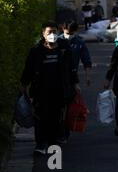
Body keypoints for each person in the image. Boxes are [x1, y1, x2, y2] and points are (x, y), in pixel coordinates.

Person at [20, 21, 79, 154]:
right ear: (43, 34)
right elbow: (28, 69)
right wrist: (23, 84)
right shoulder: (36, 50)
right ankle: (40, 144)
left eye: (54, 31)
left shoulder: (64, 48)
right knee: (40, 117)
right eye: (49, 32)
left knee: (56, 117)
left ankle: (53, 143)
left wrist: (75, 84)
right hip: (41, 90)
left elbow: (71, 67)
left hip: (59, 89)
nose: (52, 34)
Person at [59, 20, 92, 142]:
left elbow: (86, 60)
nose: (69, 33)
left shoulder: (79, 43)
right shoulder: (57, 41)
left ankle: (64, 132)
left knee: (68, 106)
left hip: (71, 78)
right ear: (62, 28)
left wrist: (87, 76)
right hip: (56, 78)